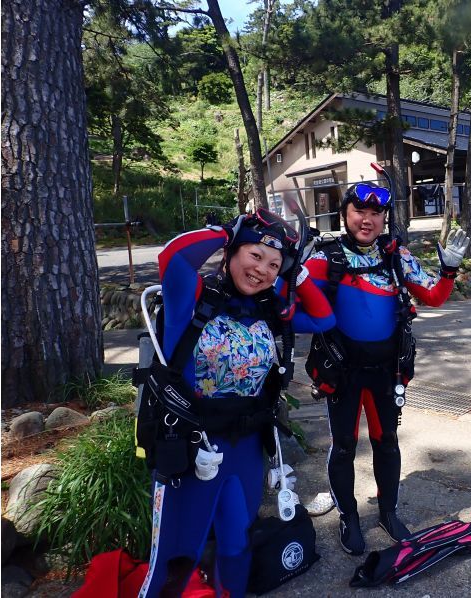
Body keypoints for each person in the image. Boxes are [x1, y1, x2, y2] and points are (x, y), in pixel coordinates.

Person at [137, 209, 334, 597]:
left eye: (274, 264)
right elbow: (173, 258)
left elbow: (325, 319)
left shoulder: (269, 309)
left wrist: (300, 275)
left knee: (236, 542)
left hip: (246, 447)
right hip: (193, 449)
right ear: (232, 253)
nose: (262, 269)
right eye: (255, 255)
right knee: (178, 554)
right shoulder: (191, 300)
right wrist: (227, 229)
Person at [304, 182, 469, 555]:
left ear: (384, 218)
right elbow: (288, 301)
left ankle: (388, 512)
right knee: (344, 446)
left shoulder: (398, 258)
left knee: (387, 442)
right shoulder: (324, 258)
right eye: (359, 211)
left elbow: (435, 297)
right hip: (342, 372)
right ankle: (348, 516)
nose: (367, 219)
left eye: (376, 213)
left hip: (385, 371)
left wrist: (449, 270)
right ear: (345, 214)